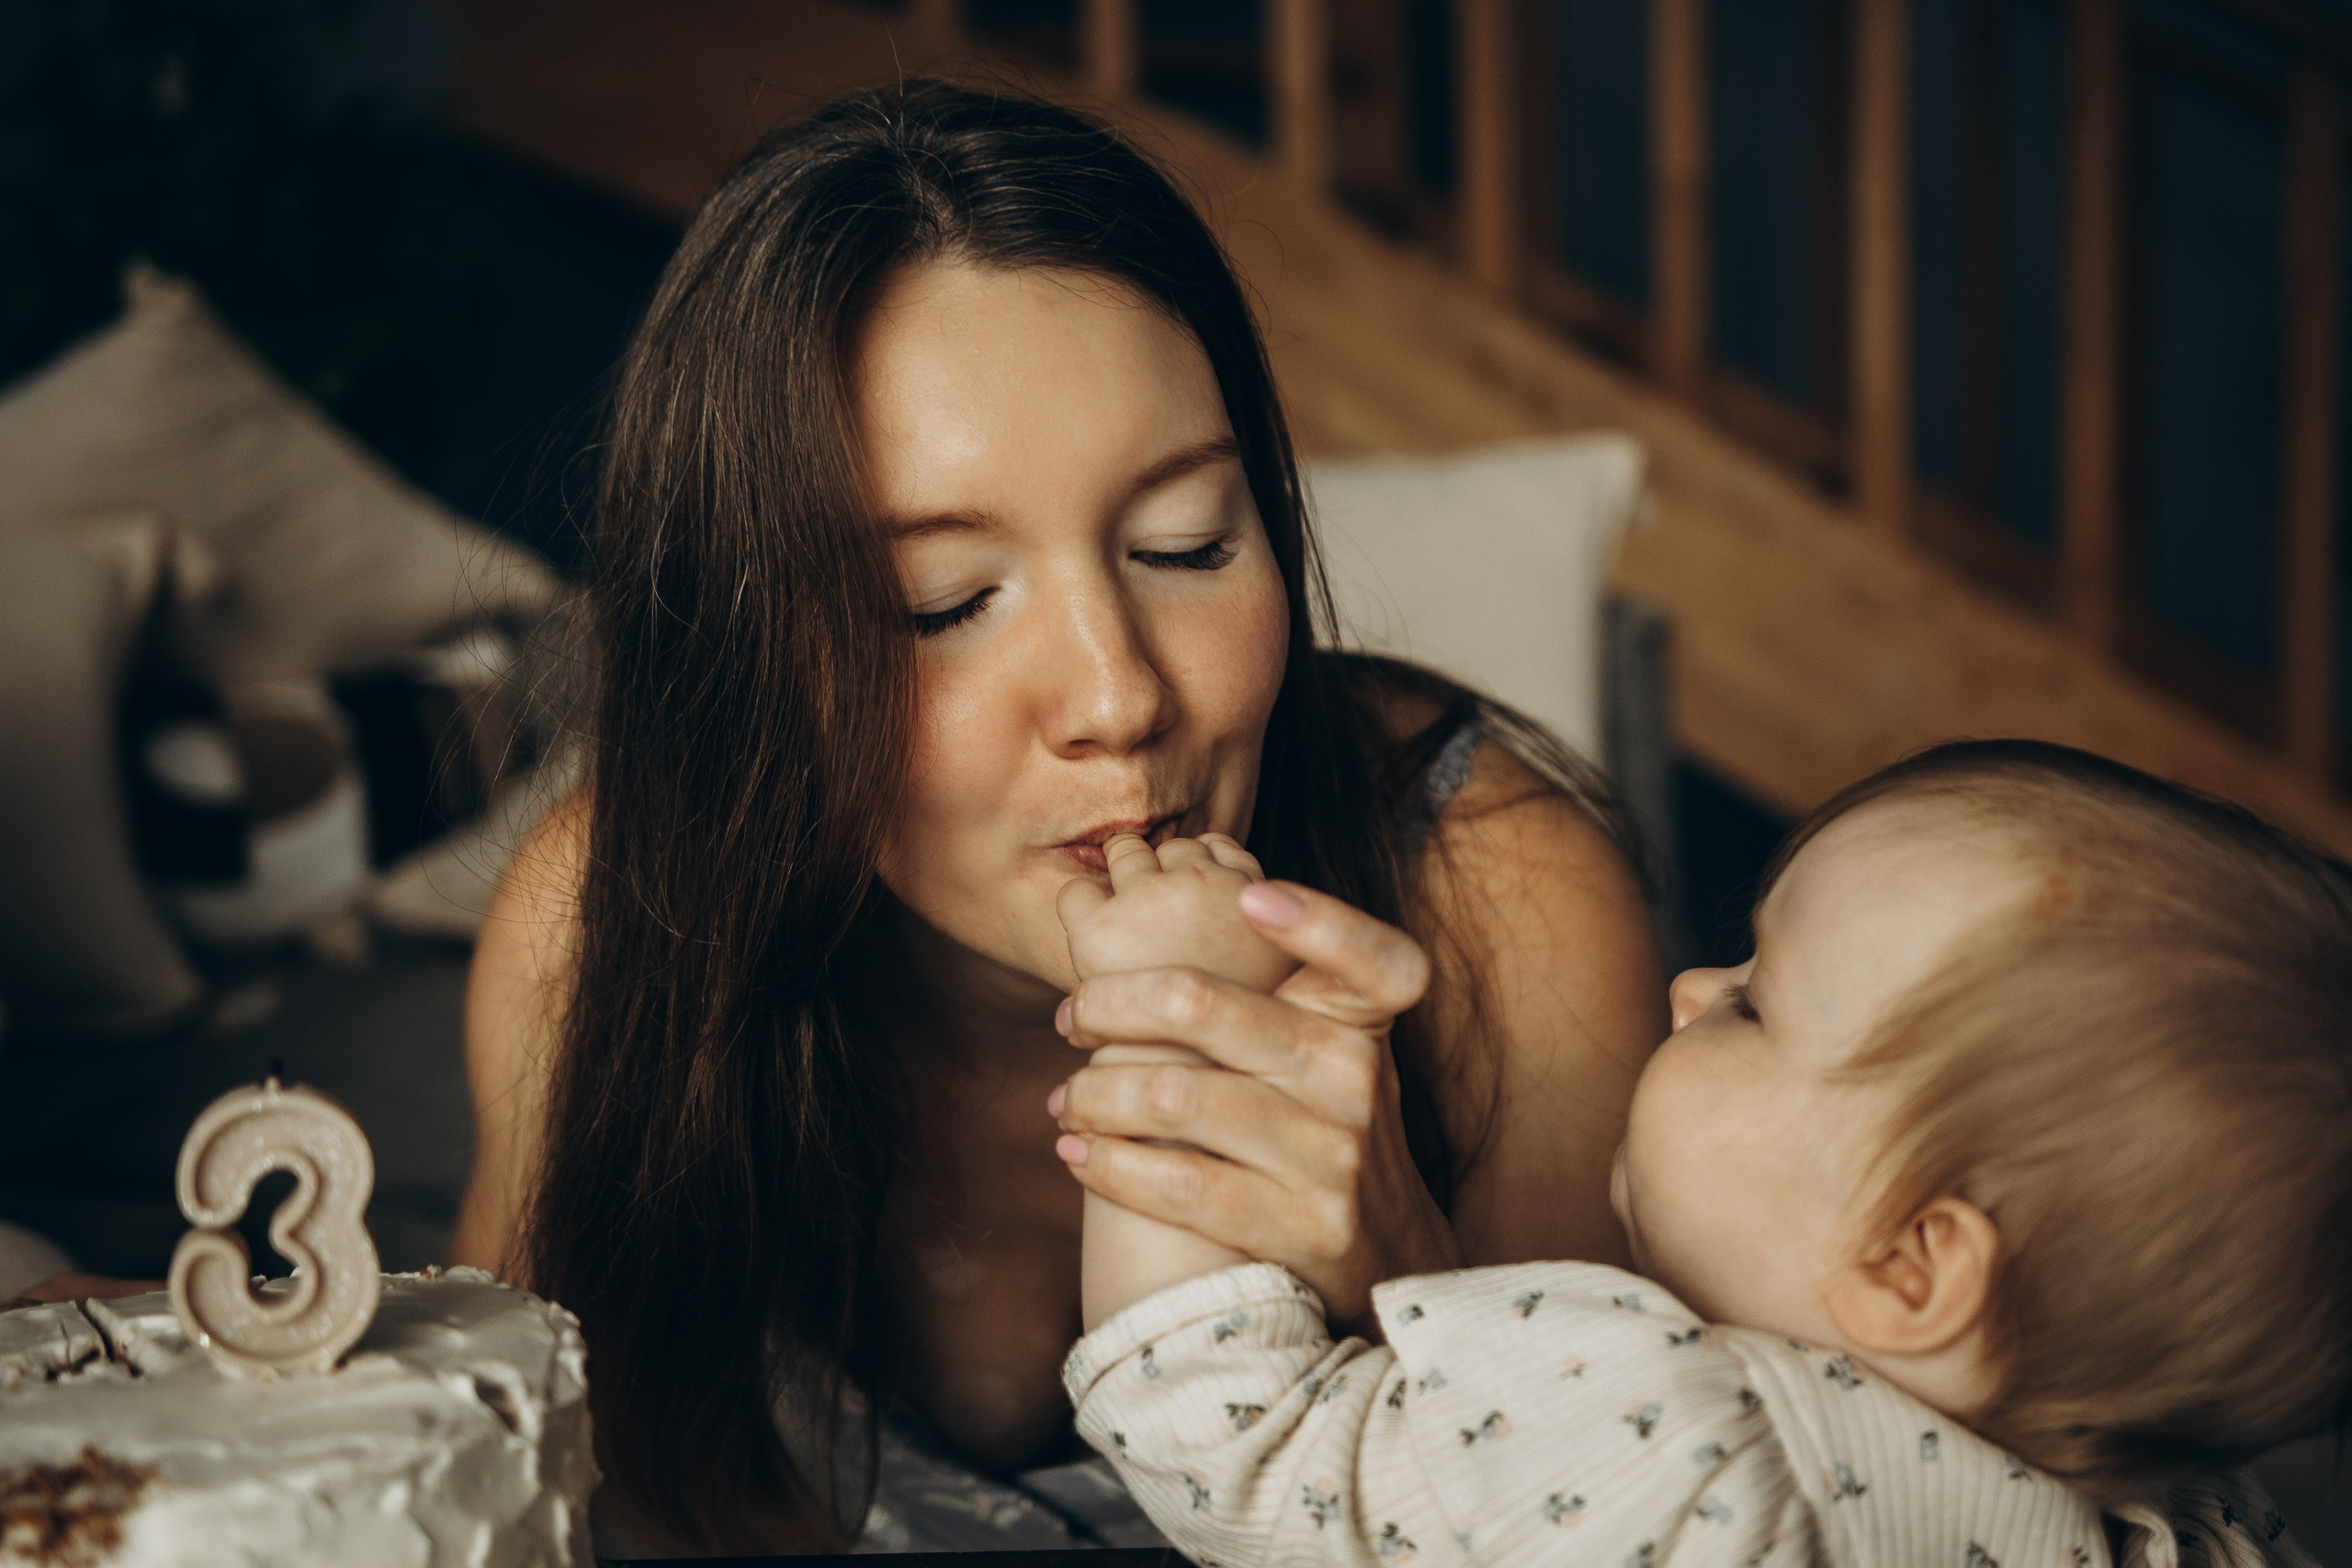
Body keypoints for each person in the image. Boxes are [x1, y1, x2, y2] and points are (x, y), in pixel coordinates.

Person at [448, 82, 1665, 1554]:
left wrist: (1404, 1263)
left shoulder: (1500, 896)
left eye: (1186, 544)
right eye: (943, 605)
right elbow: (485, 1501)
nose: (1118, 698)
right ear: (749, 662)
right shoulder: (601, 926)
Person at [1056, 740, 2348, 1567]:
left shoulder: (1670, 1436)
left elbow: (1222, 1437)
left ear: (1909, 1265)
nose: (1684, 987)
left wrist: (1168, 1018)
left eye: (1753, 1005)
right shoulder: (2222, 1529)